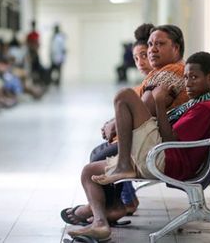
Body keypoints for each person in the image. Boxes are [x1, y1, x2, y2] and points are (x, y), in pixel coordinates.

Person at [68, 52, 210, 240]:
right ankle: (100, 223)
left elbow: (169, 138)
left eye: (194, 77)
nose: (188, 82)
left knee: (124, 96)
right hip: (163, 155)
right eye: (187, 77)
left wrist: (158, 102)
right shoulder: (197, 102)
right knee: (88, 172)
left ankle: (124, 165)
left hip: (168, 160)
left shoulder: (205, 108)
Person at [62, 23, 155, 226]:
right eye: (136, 57)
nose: (140, 62)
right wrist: (113, 122)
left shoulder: (158, 82)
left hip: (148, 144)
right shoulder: (148, 82)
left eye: (144, 55)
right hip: (141, 139)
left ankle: (110, 206)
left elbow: (143, 112)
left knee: (98, 157)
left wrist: (115, 123)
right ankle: (121, 201)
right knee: (102, 152)